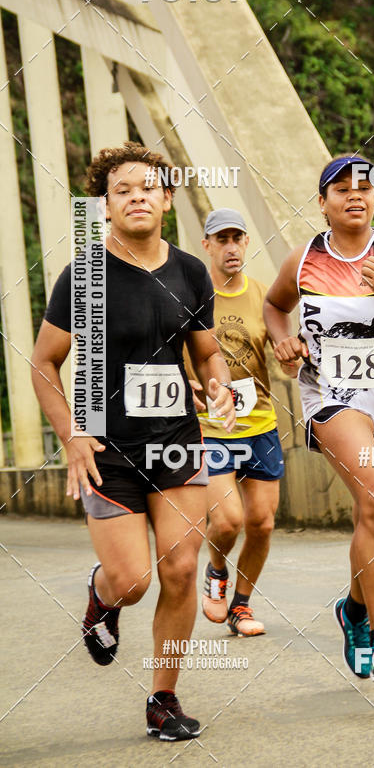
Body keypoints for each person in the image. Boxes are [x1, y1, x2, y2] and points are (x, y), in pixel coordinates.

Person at [30, 142, 236, 741]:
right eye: (123, 190)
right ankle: (102, 595)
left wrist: (217, 386)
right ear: (106, 205)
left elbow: (206, 353)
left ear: (167, 200)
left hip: (176, 444)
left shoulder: (191, 272)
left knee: (179, 570)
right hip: (108, 450)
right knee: (133, 580)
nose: (137, 197)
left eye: (148, 187)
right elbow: (44, 363)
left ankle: (163, 698)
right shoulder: (86, 274)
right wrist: (70, 436)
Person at [263, 155, 374, 681]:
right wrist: (284, 341)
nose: (354, 194)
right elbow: (275, 308)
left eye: (364, 186)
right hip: (332, 397)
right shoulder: (302, 260)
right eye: (340, 188)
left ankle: (354, 610)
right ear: (322, 203)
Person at [186, 208, 284, 637]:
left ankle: (241, 606)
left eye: (236, 238)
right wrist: (186, 381)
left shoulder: (265, 297)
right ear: (206, 245)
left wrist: (295, 356)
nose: (230, 246)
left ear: (246, 243)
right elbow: (169, 351)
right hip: (211, 427)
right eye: (220, 239)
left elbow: (282, 357)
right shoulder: (190, 296)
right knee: (228, 520)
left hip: (260, 421)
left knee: (262, 522)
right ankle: (216, 570)